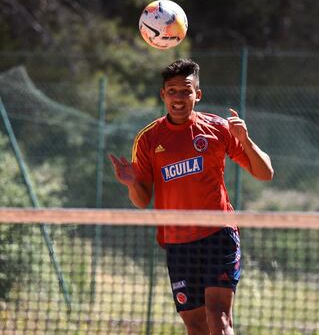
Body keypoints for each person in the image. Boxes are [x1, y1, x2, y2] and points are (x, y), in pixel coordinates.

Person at [109, 58, 273, 335]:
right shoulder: (149, 139)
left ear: (197, 95)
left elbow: (265, 173)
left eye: (186, 91)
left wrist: (245, 139)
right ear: (163, 95)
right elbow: (141, 200)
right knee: (196, 325)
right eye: (172, 91)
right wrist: (131, 183)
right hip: (177, 242)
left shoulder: (219, 128)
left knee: (219, 318)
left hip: (218, 234)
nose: (178, 97)